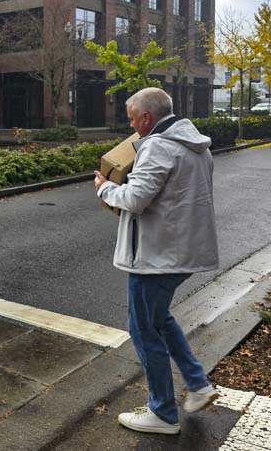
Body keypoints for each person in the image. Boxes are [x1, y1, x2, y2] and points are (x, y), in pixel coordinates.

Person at [93, 87, 219, 435]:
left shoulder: (158, 146)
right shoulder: (196, 146)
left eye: (132, 118)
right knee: (159, 318)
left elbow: (134, 199)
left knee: (143, 328)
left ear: (147, 117)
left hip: (155, 257)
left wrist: (103, 187)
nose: (131, 125)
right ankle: (197, 384)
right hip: (182, 252)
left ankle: (162, 413)